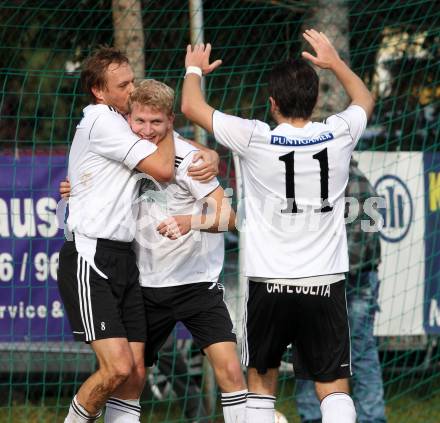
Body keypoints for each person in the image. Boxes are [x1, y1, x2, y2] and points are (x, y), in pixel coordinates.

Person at [181, 29, 375, 423]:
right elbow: (365, 98)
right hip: (324, 282)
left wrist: (194, 69)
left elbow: (190, 106)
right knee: (333, 387)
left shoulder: (254, 137)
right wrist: (334, 62)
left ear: (271, 103)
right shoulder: (338, 133)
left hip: (268, 283)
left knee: (261, 384)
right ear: (317, 99)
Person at [61, 78, 248, 423]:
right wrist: (75, 187)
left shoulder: (191, 160)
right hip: (143, 285)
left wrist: (189, 220)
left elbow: (229, 216)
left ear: (170, 120)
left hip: (196, 284)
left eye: (156, 122)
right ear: (129, 119)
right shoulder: (121, 149)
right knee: (130, 378)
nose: (147, 130)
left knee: (230, 371)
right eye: (140, 121)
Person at [295, 158, 387, 423]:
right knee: (357, 352)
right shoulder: (354, 179)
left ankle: (319, 416)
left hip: (341, 280)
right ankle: (369, 416)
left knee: (326, 351)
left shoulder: (344, 181)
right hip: (346, 277)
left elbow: (358, 245)